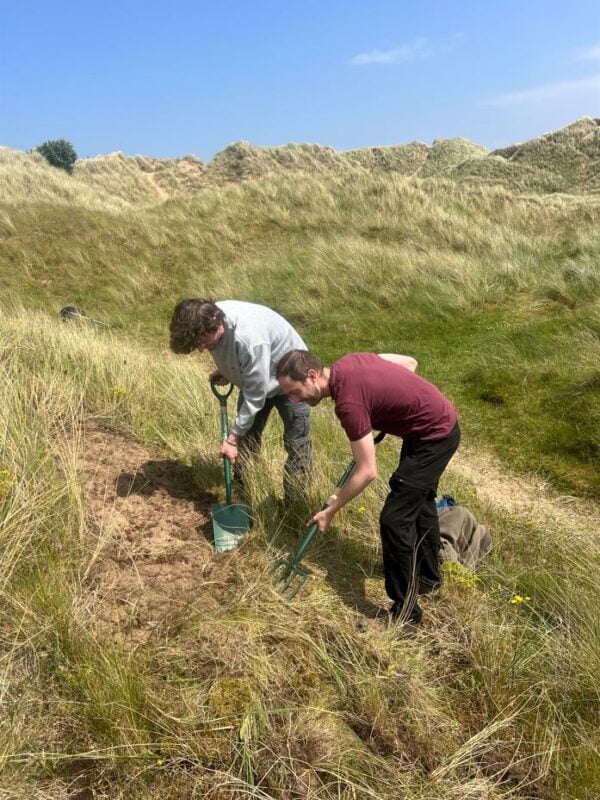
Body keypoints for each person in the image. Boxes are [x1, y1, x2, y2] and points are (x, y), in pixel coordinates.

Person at [276, 350, 460, 628]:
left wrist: (330, 511)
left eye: (295, 391)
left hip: (434, 436)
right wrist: (384, 405)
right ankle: (428, 578)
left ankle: (406, 615)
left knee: (395, 519)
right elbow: (409, 363)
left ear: (312, 376)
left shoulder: (348, 405)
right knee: (419, 501)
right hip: (432, 427)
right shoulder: (348, 362)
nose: (294, 400)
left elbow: (367, 471)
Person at [169, 299, 312, 501]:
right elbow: (243, 361)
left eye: (204, 343)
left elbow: (256, 394)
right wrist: (229, 371)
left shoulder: (249, 337)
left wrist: (232, 439)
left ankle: (295, 504)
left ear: (216, 324)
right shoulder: (209, 319)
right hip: (258, 376)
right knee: (247, 441)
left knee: (296, 443)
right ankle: (245, 496)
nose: (201, 349)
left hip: (295, 381)